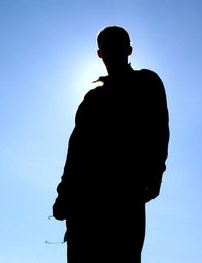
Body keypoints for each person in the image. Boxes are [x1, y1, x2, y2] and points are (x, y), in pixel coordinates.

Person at [53, 26, 169, 263]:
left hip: (124, 198)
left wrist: (154, 175)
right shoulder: (91, 100)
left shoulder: (147, 81)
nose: (112, 51)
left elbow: (159, 129)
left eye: (117, 45)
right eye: (107, 46)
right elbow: (75, 150)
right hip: (84, 206)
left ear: (129, 49)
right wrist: (64, 194)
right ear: (100, 53)